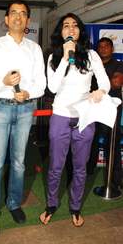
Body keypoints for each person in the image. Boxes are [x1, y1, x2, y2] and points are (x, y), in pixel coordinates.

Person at [0, 0, 46, 238]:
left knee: (19, 162)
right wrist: (4, 83)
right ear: (6, 19)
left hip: (26, 108)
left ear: (28, 20)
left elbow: (41, 84)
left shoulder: (34, 48)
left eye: (23, 13)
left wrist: (29, 92)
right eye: (13, 13)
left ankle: (14, 203)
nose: (18, 17)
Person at [39, 13, 110, 227]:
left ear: (80, 31)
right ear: (60, 32)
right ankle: (51, 204)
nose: (71, 29)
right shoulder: (53, 57)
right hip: (60, 115)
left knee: (80, 167)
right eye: (66, 26)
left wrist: (101, 91)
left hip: (85, 117)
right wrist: (64, 59)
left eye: (75, 25)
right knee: (55, 166)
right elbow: (52, 87)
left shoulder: (91, 55)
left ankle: (75, 207)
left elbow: (105, 81)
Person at [87, 37, 123, 188]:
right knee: (90, 140)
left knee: (112, 141)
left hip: (111, 108)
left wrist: (100, 82)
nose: (103, 49)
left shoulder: (119, 64)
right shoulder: (91, 64)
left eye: (106, 46)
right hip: (93, 106)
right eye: (100, 47)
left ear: (112, 49)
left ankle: (115, 178)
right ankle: (88, 172)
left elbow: (116, 83)